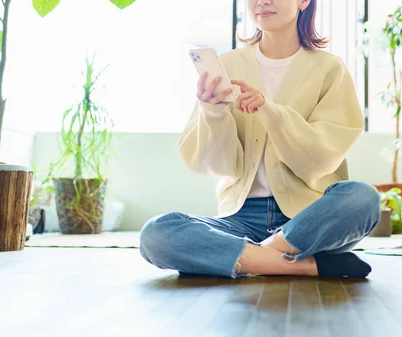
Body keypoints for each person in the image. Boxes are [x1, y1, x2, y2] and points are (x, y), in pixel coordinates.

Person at [139, 0, 380, 278]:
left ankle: (252, 256)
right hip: (239, 220)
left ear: (304, 1)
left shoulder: (329, 69)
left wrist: (269, 110)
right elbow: (215, 166)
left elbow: (319, 160)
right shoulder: (227, 65)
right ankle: (300, 265)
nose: (261, 1)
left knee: (363, 198)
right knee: (156, 234)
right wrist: (213, 113)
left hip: (310, 219)